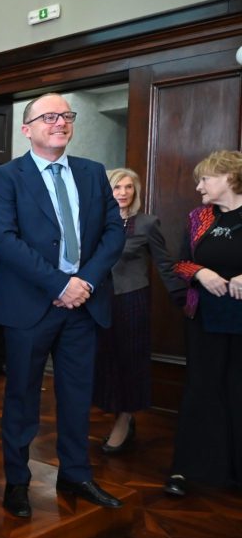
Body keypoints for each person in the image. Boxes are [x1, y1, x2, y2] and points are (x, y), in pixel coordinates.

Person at [0, 93, 126, 518]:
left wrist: (84, 282)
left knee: (77, 395)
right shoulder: (7, 176)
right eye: (48, 117)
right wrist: (59, 283)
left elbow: (114, 232)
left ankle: (76, 474)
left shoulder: (92, 172)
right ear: (26, 129)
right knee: (22, 397)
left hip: (84, 305)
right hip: (30, 306)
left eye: (66, 116)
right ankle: (17, 481)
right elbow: (3, 240)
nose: (60, 122)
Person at [163, 150, 242, 497]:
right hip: (204, 320)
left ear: (229, 177)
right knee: (201, 389)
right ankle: (189, 469)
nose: (199, 187)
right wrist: (201, 272)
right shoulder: (199, 217)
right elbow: (180, 263)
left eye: (205, 179)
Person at [93, 168, 184, 453]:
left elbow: (165, 264)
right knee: (106, 360)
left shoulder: (147, 223)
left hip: (132, 301)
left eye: (128, 187)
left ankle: (124, 418)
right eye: (117, 187)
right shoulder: (96, 222)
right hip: (100, 302)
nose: (123, 192)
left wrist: (185, 299)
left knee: (129, 361)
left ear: (136, 191)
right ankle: (118, 414)